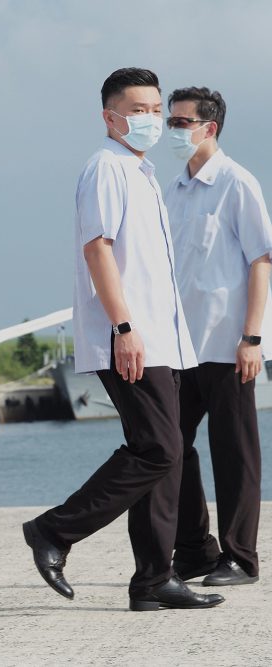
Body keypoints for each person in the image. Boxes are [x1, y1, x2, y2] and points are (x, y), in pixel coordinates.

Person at [21, 67, 223, 611]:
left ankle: (155, 579)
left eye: (155, 109)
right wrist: (124, 328)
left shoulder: (144, 171)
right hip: (131, 336)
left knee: (168, 453)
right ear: (109, 117)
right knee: (159, 447)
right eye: (137, 110)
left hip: (164, 338)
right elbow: (98, 249)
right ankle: (54, 531)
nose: (150, 119)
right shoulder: (106, 168)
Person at [165, 86, 271, 586]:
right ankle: (193, 551)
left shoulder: (236, 182)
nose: (172, 131)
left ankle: (240, 558)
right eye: (171, 122)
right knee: (168, 447)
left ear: (210, 128)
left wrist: (253, 338)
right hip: (179, 346)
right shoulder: (173, 190)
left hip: (228, 343)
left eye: (181, 122)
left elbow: (262, 260)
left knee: (234, 453)